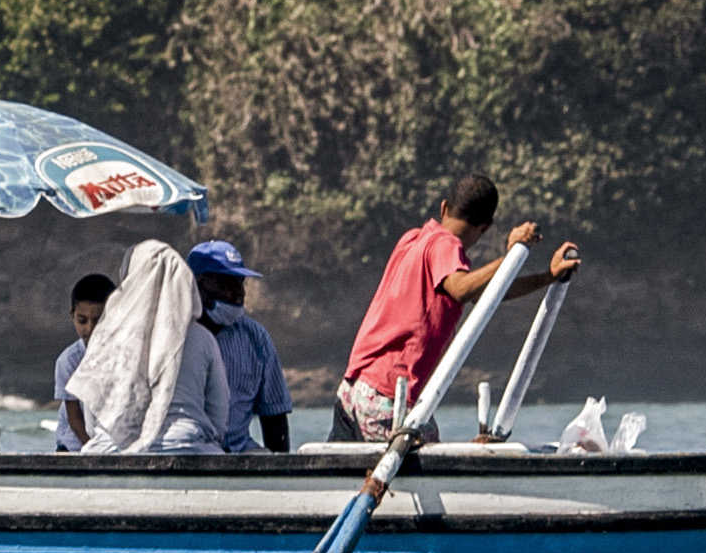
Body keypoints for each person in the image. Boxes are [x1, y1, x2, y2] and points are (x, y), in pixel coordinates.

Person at [333, 178, 579, 443]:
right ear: (485, 227)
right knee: (427, 455)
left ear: (444, 207)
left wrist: (547, 277)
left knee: (339, 467)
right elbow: (461, 288)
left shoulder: (413, 239)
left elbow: (488, 292)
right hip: (387, 395)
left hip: (352, 389)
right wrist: (513, 254)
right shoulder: (445, 244)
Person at [63, 238, 230, 454]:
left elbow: (92, 411)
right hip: (186, 445)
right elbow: (219, 414)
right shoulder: (203, 337)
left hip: (112, 450)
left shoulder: (108, 332)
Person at [186, 240, 292, 453]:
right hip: (186, 452)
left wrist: (281, 468)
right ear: (198, 285)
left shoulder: (255, 337)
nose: (238, 293)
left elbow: (275, 418)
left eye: (240, 283)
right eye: (226, 284)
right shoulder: (173, 335)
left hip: (238, 454)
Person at [53, 271, 117, 450]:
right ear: (72, 316)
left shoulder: (124, 355)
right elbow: (74, 417)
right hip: (73, 446)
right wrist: (92, 448)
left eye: (98, 321)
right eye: (82, 321)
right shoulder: (69, 361)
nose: (90, 328)